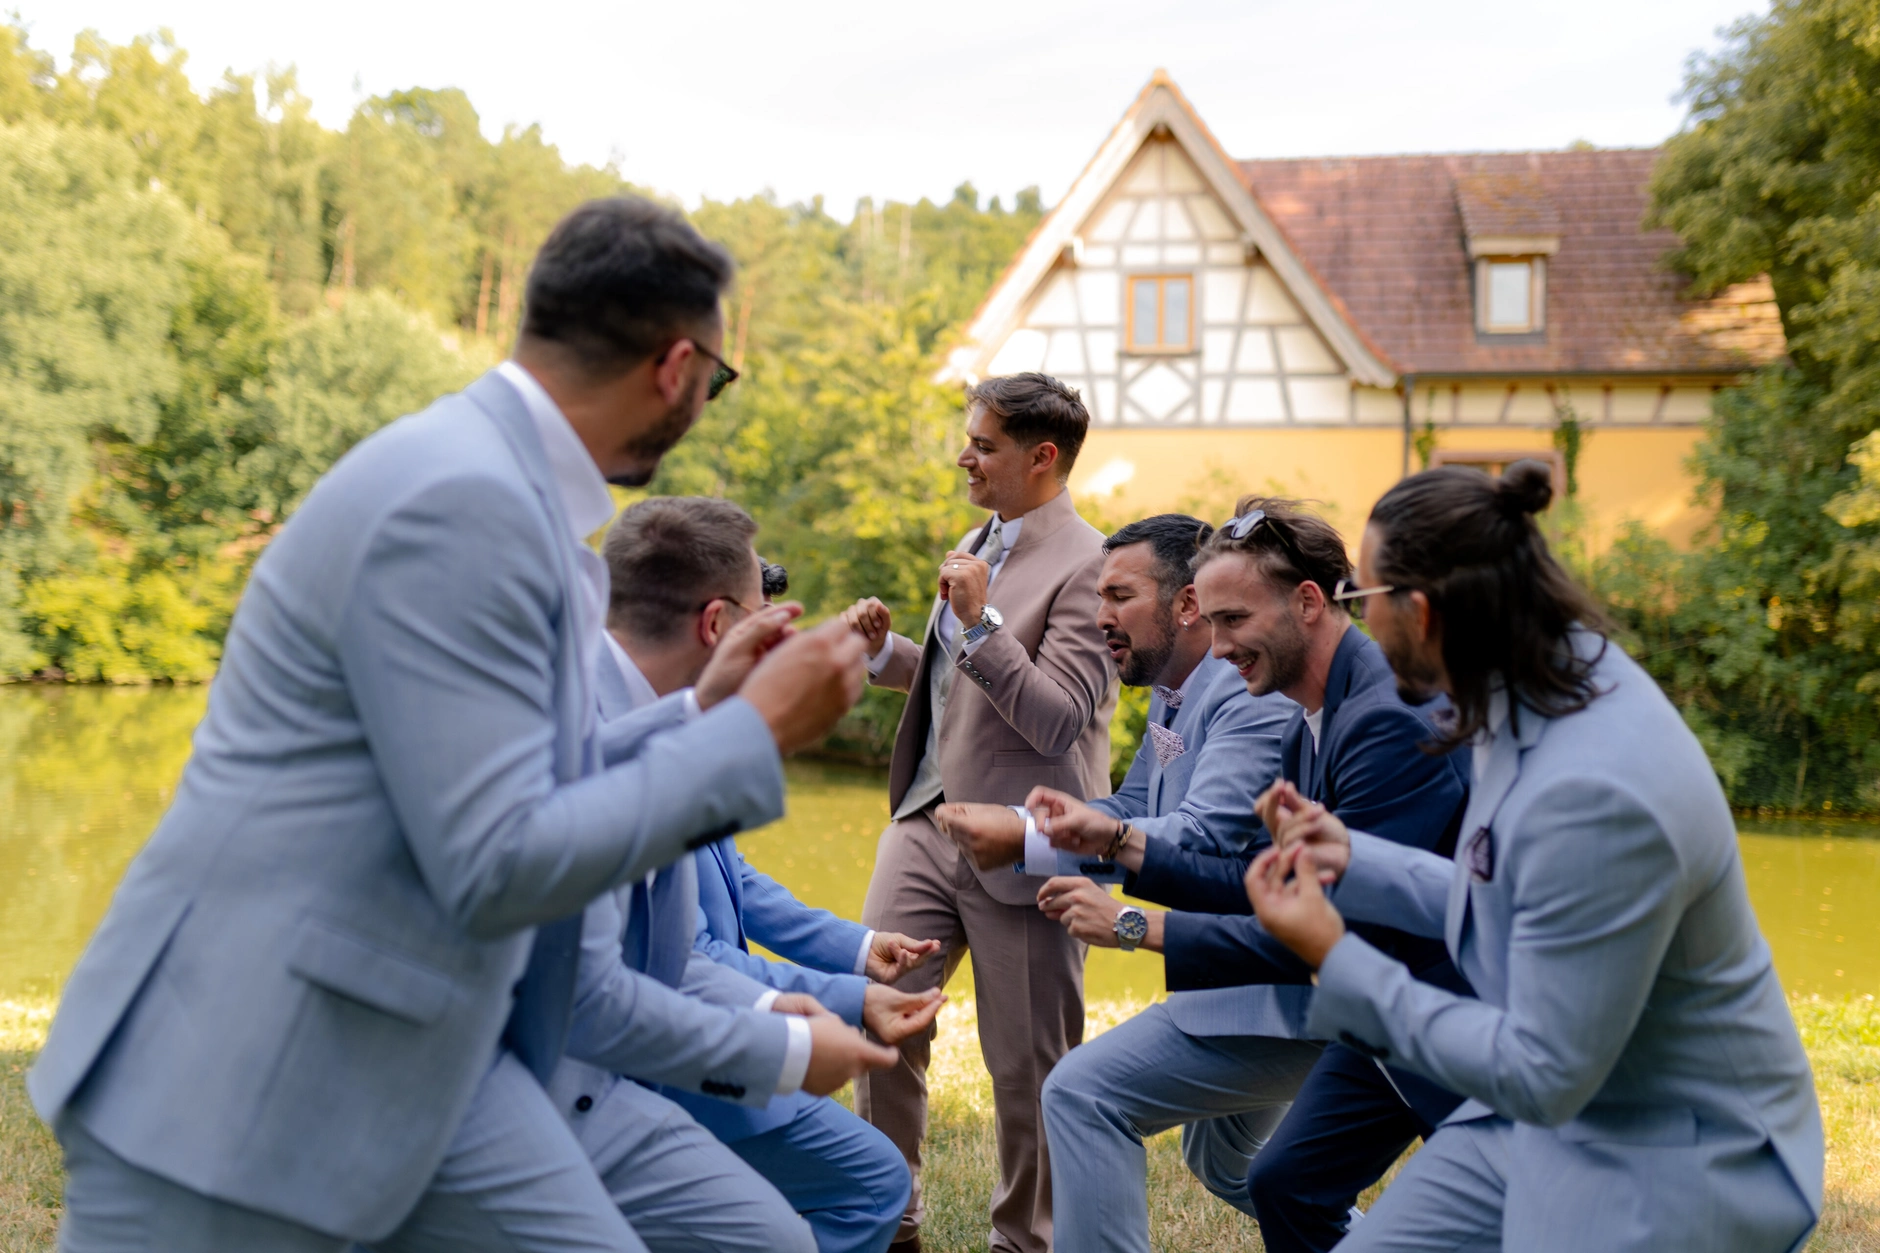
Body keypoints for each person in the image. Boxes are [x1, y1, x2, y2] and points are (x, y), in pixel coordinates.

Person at [31, 196, 886, 1253]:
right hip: (244, 1067)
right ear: (675, 368)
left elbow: (518, 780)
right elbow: (495, 861)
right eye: (716, 379)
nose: (705, 402)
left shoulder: (502, 490)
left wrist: (700, 708)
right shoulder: (465, 501)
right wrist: (749, 734)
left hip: (421, 1055)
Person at [1248, 461, 1824, 1253]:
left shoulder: (1595, 787)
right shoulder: (1534, 675)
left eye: (1362, 598)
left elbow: (1542, 1072)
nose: (1359, 622)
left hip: (1673, 1154)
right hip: (1551, 1109)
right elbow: (1503, 888)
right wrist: (1354, 857)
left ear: (1421, 612)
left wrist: (1336, 954)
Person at [1027, 497, 1468, 1253]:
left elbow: (1321, 928)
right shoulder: (1312, 714)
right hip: (1376, 1012)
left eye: (1233, 620)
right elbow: (1268, 883)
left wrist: (1136, 923)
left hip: (1454, 1022)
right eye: (1212, 619)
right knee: (1281, 1183)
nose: (1219, 647)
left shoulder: (1386, 719)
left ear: (1307, 603)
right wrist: (1129, 847)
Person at [933, 511, 1296, 1251]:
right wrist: (1032, 827)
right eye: (1098, 598)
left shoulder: (1245, 695)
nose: (1100, 618)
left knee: (1081, 1091)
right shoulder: (1176, 692)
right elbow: (1133, 808)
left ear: (1186, 603)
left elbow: (1203, 836)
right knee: (1231, 1163)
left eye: (1118, 597)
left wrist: (1032, 836)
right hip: (1234, 978)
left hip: (1285, 987)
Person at [595, 494, 941, 1253]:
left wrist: (857, 952)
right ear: (718, 624)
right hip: (615, 1076)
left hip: (641, 1052)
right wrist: (828, 1015)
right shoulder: (596, 725)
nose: (774, 638)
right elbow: (664, 964)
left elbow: (734, 881)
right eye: (764, 613)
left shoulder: (662, 712)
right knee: (862, 1188)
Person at [841, 372, 1117, 1253]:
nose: (965, 454)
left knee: (1028, 1066)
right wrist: (880, 649)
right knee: (882, 1013)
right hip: (925, 820)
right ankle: (890, 1219)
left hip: (1027, 841)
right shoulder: (977, 538)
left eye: (984, 444)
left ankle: (1024, 1239)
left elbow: (1058, 715)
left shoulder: (1096, 566)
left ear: (1042, 457)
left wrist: (979, 616)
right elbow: (954, 683)